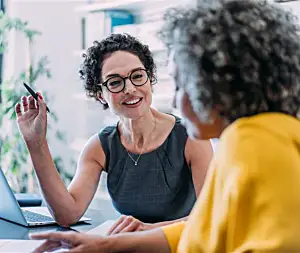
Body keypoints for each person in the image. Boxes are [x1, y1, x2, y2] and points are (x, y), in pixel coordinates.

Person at [30, 0, 300, 252]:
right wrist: (105, 246)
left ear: (216, 86)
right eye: (115, 82)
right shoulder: (259, 136)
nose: (173, 99)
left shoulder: (255, 143)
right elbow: (206, 230)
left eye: (181, 85)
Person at [15, 34, 213, 232]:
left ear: (150, 79)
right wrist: (36, 144)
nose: (130, 89)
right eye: (115, 82)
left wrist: (146, 231)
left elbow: (212, 216)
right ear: (100, 95)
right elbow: (67, 214)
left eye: (137, 76)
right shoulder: (99, 147)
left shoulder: (192, 137)